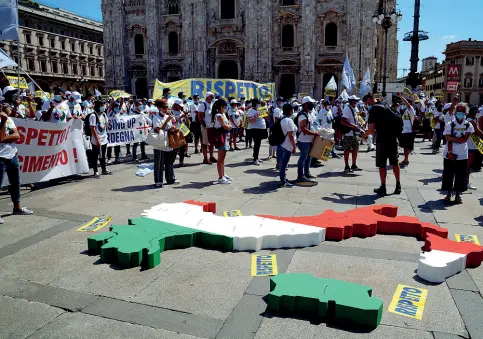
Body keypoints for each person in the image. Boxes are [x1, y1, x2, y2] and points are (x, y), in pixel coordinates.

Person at [362, 93, 401, 196]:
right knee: (395, 162)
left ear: (369, 100)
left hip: (382, 140)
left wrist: (364, 135)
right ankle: (398, 185)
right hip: (393, 139)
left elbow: (371, 130)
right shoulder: (385, 105)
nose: (367, 105)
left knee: (382, 164)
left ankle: (383, 187)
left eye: (366, 103)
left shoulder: (373, 109)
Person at [0, 110, 33, 224]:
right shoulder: (5, 120)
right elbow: (1, 137)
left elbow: (17, 135)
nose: (1, 108)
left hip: (12, 155)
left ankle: (17, 208)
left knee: (15, 183)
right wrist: (3, 123)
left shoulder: (9, 119)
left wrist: (5, 136)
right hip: (0, 158)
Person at [442, 103, 474, 204]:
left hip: (462, 154)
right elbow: (448, 139)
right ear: (455, 113)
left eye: (462, 112)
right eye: (458, 111)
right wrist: (450, 152)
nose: (460, 113)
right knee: (448, 174)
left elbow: (464, 139)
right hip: (450, 152)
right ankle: (448, 194)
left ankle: (457, 195)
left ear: (465, 113)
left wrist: (452, 138)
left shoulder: (468, 125)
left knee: (460, 175)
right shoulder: (450, 124)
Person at [152, 99, 178, 187]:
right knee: (159, 162)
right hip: (159, 142)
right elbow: (158, 129)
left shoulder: (167, 116)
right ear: (159, 108)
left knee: (169, 161)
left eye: (167, 107)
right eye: (164, 107)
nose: (166, 109)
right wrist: (166, 121)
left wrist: (173, 129)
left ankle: (170, 178)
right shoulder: (156, 117)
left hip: (168, 141)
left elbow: (169, 127)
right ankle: (158, 180)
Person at [296, 96, 319, 180]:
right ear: (305, 104)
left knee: (309, 157)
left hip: (309, 140)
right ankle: (300, 175)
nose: (312, 105)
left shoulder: (308, 113)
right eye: (310, 103)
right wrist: (314, 133)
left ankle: (307, 173)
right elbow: (303, 129)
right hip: (303, 140)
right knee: (303, 158)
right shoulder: (302, 115)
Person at [89, 101, 112, 178]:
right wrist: (97, 140)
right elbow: (93, 128)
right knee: (95, 156)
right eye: (102, 105)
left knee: (103, 155)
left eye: (104, 106)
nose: (104, 107)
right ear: (98, 107)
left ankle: (104, 169)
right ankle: (96, 171)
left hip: (104, 138)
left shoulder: (104, 114)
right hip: (96, 140)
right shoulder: (93, 115)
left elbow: (106, 124)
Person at [212, 99, 232, 184]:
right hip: (221, 137)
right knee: (220, 158)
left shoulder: (223, 114)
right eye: (224, 107)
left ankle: (223, 174)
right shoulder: (218, 115)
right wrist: (229, 126)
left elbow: (228, 125)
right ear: (220, 107)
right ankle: (220, 177)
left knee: (223, 157)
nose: (225, 108)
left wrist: (229, 126)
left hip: (226, 136)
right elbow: (225, 126)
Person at [341, 96, 363, 173]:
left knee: (356, 149)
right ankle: (346, 166)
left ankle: (354, 165)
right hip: (348, 133)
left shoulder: (354, 109)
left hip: (355, 133)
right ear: (351, 101)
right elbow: (343, 121)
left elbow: (354, 118)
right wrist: (352, 125)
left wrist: (358, 123)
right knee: (347, 150)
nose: (356, 103)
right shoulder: (347, 109)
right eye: (355, 101)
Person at [278, 103, 297, 187]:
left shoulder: (282, 118)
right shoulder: (288, 120)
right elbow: (290, 136)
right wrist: (294, 146)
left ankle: (283, 179)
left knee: (282, 164)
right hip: (287, 145)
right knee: (284, 164)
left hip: (281, 143)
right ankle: (283, 181)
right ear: (289, 110)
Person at [466, 106, 483, 190]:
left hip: (466, 145)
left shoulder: (466, 120)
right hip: (471, 146)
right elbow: (479, 133)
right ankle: (466, 182)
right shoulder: (472, 121)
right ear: (474, 113)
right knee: (468, 166)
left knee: (466, 165)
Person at [247, 98, 268, 165]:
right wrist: (256, 116)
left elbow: (266, 117)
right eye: (258, 103)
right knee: (256, 143)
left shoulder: (259, 109)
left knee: (258, 144)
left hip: (261, 128)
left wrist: (266, 112)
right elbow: (250, 120)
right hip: (255, 129)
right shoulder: (251, 110)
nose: (259, 104)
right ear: (256, 104)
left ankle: (256, 157)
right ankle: (255, 158)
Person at [198, 92, 217, 165]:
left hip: (212, 126)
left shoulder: (212, 104)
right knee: (205, 143)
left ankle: (211, 156)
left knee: (211, 143)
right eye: (211, 97)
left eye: (213, 97)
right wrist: (204, 125)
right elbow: (200, 116)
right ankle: (205, 158)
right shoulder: (203, 105)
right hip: (206, 127)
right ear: (207, 97)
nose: (212, 98)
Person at [398, 95, 416, 167]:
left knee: (406, 147)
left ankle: (406, 160)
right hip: (404, 131)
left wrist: (401, 96)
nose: (405, 104)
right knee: (405, 147)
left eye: (406, 103)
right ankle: (406, 159)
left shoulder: (411, 109)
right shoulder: (406, 111)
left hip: (408, 131)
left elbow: (407, 103)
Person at [171, 98, 188, 167]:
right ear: (175, 105)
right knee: (175, 148)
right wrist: (180, 117)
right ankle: (171, 162)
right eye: (179, 106)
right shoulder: (171, 112)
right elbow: (173, 122)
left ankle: (181, 161)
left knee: (183, 147)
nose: (180, 107)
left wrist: (186, 118)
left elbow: (185, 122)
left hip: (182, 130)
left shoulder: (181, 111)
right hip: (175, 131)